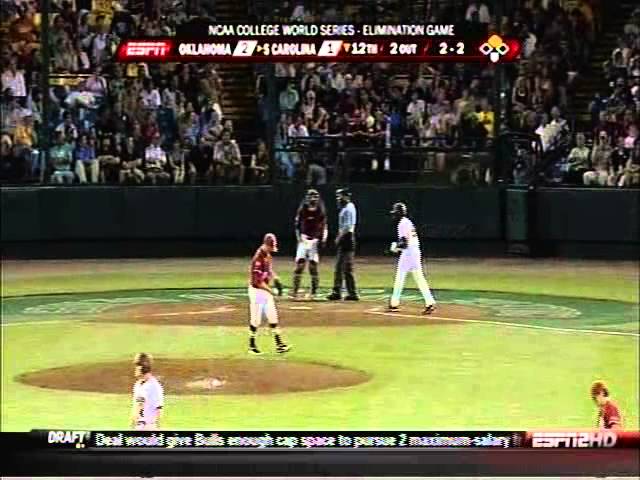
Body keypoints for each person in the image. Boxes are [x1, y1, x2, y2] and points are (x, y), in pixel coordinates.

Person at [387, 202, 436, 315]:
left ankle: (394, 303)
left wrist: (395, 248)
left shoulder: (402, 223)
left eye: (395, 213)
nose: (394, 215)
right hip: (414, 252)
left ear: (400, 213)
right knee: (419, 277)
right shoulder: (407, 222)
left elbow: (404, 243)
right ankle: (430, 302)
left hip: (408, 253)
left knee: (400, 277)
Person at [247, 233, 291, 355]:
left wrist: (275, 277)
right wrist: (272, 291)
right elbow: (258, 282)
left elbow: (269, 269)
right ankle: (252, 345)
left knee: (272, 316)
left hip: (265, 290)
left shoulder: (267, 255)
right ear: (267, 245)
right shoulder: (258, 258)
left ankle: (279, 345)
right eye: (272, 246)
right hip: (257, 291)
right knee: (256, 319)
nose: (273, 249)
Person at [291, 189, 328, 300]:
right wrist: (299, 239)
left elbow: (324, 225)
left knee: (313, 267)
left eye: (315, 197)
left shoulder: (320, 210)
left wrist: (324, 237)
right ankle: (295, 290)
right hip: (304, 239)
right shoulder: (303, 209)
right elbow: (297, 225)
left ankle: (314, 291)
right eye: (311, 196)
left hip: (315, 240)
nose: (313, 199)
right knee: (300, 265)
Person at [327, 188, 359, 301]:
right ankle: (337, 292)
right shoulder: (345, 208)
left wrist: (339, 238)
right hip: (345, 238)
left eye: (340, 196)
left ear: (345, 196)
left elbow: (348, 227)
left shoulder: (349, 208)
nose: (338, 198)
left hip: (347, 239)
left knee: (347, 268)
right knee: (339, 267)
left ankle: (352, 293)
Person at [131, 353, 164, 431]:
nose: (135, 369)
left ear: (141, 368)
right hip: (142, 425)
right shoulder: (140, 384)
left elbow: (140, 404)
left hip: (147, 427)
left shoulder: (149, 386)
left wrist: (133, 423)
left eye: (137, 367)